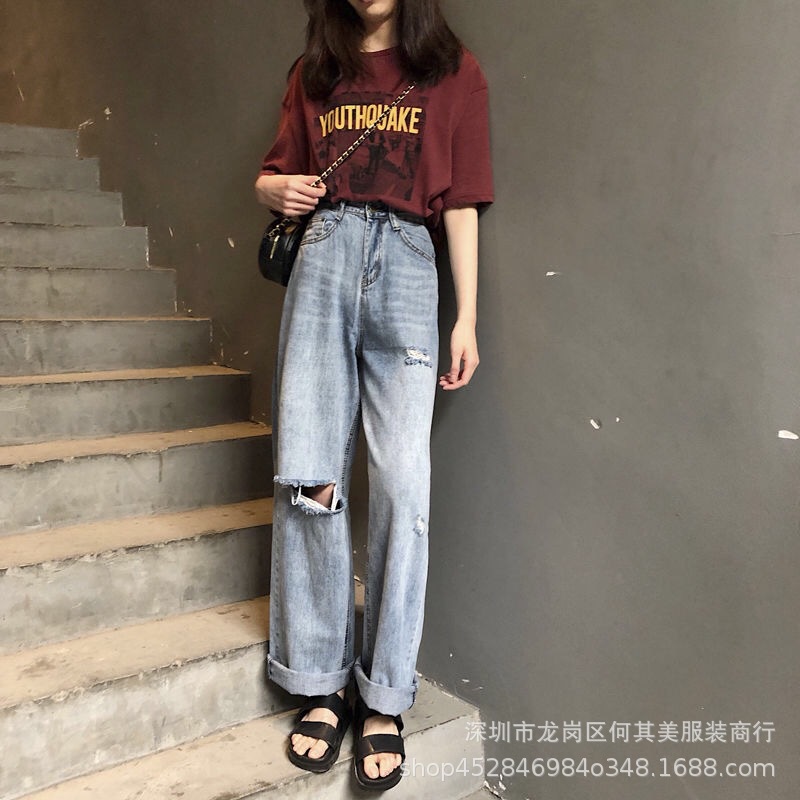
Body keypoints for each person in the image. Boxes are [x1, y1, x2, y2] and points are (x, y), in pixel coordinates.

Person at [254, 0, 493, 790]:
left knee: (403, 487)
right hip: (323, 257)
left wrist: (466, 316)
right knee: (312, 477)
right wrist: (276, 191)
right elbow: (270, 175)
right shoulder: (316, 72)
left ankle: (385, 694)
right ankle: (319, 681)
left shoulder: (453, 71)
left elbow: (462, 201)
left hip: (410, 267)